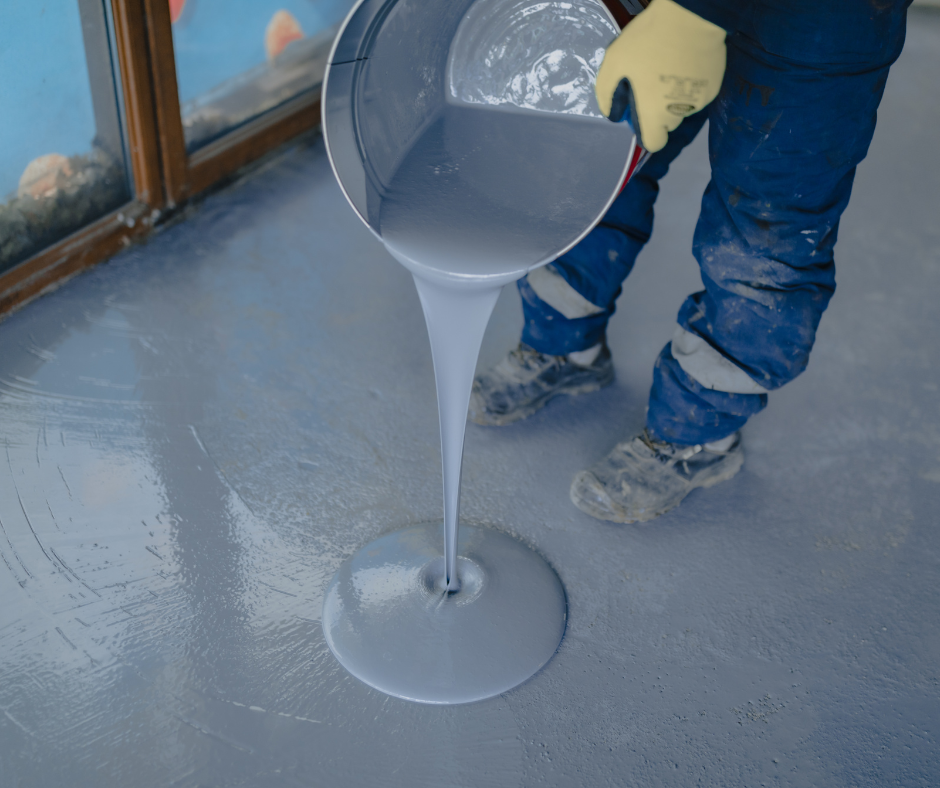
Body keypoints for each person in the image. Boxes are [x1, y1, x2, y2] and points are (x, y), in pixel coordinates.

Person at [469, 0, 912, 523]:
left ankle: (700, 434)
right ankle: (565, 348)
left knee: (765, 230)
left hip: (821, 21)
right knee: (599, 159)